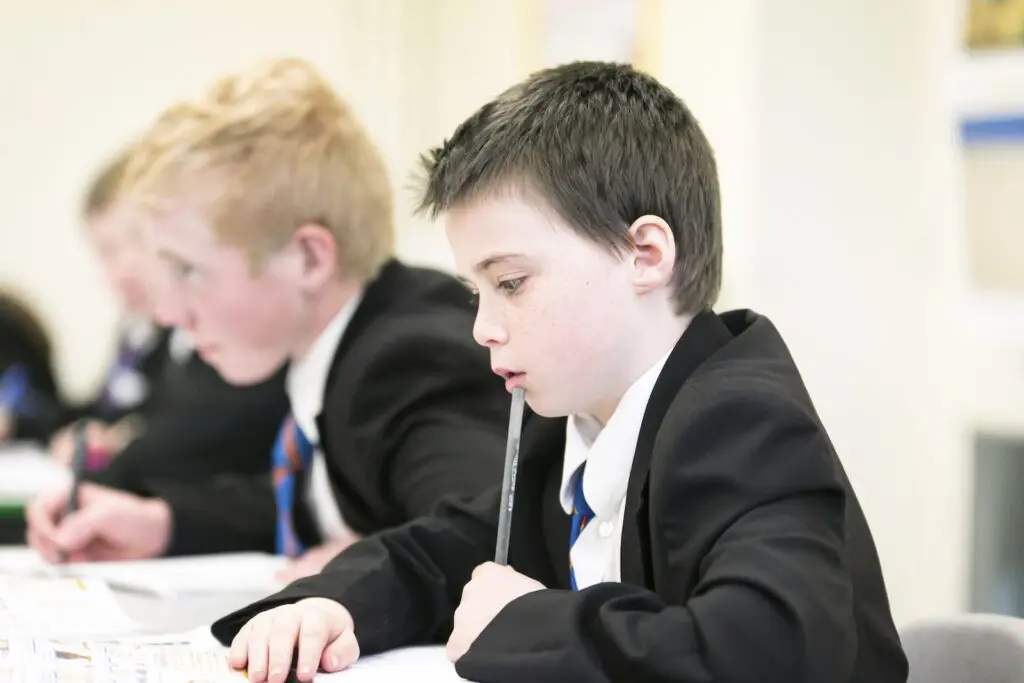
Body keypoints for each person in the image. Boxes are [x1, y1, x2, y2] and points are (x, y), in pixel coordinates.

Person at [211, 61, 909, 683]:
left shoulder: (740, 422)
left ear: (644, 254)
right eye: (475, 293)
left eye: (511, 283)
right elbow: (441, 551)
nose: (483, 327)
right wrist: (328, 605)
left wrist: (528, 624)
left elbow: (768, 653)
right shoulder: (574, 423)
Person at [27, 58, 510, 579]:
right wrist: (161, 523)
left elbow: (479, 542)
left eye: (189, 271)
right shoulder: (339, 347)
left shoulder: (406, 363)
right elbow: (316, 505)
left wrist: (365, 566)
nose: (168, 312)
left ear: (308, 259)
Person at [25, 146, 292, 561]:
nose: (169, 315)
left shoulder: (243, 337)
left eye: (130, 245)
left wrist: (113, 464)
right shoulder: (156, 331)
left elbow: (197, 434)